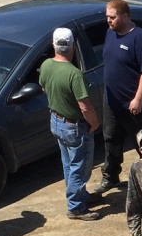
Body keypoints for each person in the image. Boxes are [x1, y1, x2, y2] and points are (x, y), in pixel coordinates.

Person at [93, 0, 142, 196]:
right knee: (111, 139)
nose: (108, 21)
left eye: (112, 17)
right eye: (107, 17)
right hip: (112, 101)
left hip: (135, 105)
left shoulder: (140, 39)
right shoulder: (110, 33)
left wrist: (138, 99)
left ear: (125, 16)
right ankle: (110, 177)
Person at [39, 27, 101, 221]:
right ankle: (75, 207)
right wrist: (94, 123)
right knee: (80, 167)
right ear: (73, 46)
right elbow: (85, 106)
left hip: (56, 121)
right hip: (74, 127)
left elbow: (43, 87)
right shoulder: (74, 74)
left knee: (68, 164)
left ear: (53, 46)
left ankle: (79, 196)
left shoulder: (47, 65)